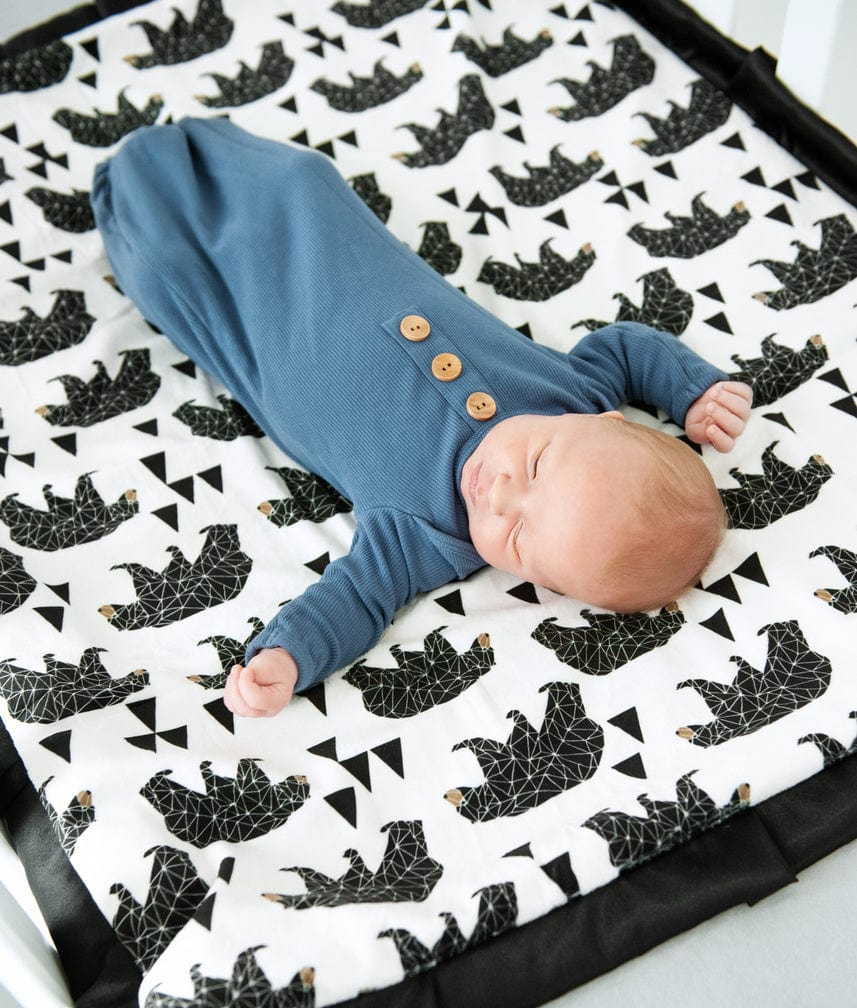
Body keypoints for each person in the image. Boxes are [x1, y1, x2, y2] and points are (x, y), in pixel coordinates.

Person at [91, 117, 751, 719]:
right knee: (299, 181)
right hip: (322, 237)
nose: (496, 493)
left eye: (516, 536)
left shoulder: (425, 538)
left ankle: (121, 205)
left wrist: (288, 657)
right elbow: (629, 345)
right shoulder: (575, 389)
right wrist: (691, 390)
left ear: (538, 581)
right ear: (606, 419)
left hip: (246, 323)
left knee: (164, 269)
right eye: (537, 464)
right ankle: (203, 146)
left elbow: (357, 601)